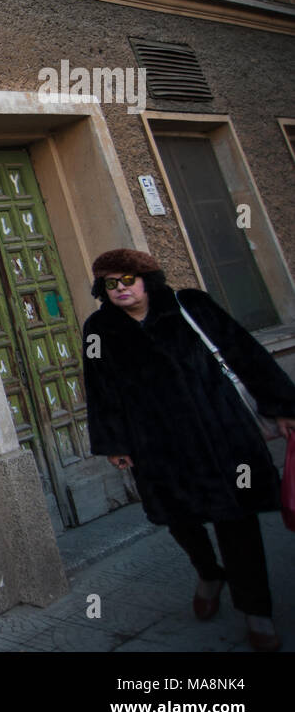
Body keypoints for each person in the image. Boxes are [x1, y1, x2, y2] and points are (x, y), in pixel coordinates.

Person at [81, 248, 295, 652]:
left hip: (222, 435)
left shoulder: (190, 305)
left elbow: (243, 351)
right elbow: (99, 387)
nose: (121, 289)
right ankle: (209, 573)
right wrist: (113, 442)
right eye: (111, 283)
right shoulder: (98, 330)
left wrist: (281, 406)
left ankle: (256, 612)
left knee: (238, 521)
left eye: (128, 279)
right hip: (157, 445)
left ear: (148, 280)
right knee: (180, 518)